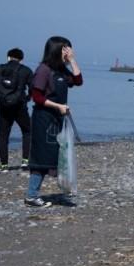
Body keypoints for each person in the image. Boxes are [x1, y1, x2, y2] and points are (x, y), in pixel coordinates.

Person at [25, 37, 82, 207]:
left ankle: (63, 186)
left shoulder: (62, 70)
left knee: (60, 154)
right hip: (43, 118)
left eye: (69, 49)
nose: (68, 52)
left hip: (58, 118)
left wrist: (72, 61)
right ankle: (31, 195)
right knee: (41, 157)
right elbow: (36, 97)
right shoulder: (44, 70)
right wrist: (58, 106)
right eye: (66, 49)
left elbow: (78, 81)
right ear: (56, 50)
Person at [0, 48, 33, 172]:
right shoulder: (26, 70)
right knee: (27, 131)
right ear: (21, 59)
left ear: (8, 57)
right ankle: (25, 162)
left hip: (3, 106)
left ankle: (4, 165)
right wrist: (28, 98)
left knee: (3, 135)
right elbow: (33, 88)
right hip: (20, 106)